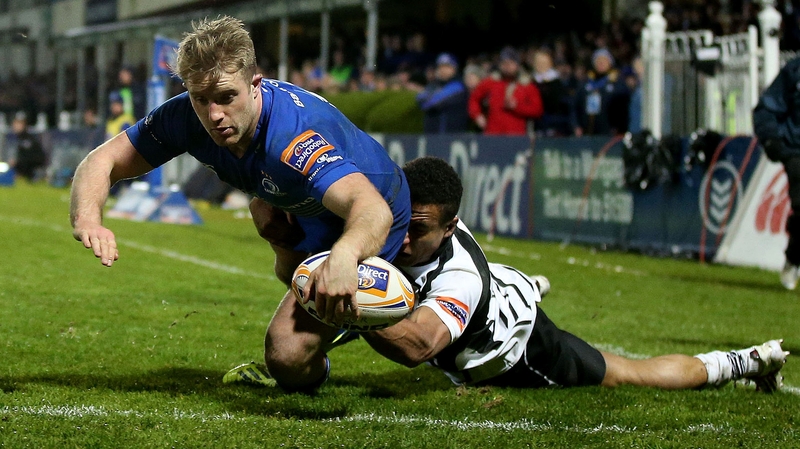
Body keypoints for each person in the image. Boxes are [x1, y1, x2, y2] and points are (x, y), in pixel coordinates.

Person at [69, 16, 411, 392]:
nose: (214, 114)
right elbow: (102, 161)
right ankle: (329, 325)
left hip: (374, 215)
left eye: (226, 97)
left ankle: (410, 307)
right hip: (302, 205)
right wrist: (89, 219)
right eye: (201, 98)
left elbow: (370, 208)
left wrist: (344, 256)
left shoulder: (294, 137)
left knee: (287, 357)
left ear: (254, 84)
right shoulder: (185, 115)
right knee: (264, 213)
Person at [359, 156, 788, 392]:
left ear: (450, 226)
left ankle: (742, 361)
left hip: (516, 346)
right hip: (498, 286)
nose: (403, 239)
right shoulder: (396, 213)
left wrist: (350, 307)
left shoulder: (461, 278)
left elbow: (419, 344)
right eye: (401, 223)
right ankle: (528, 285)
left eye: (418, 230)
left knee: (624, 374)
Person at [753, 56, 800, 290]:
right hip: (797, 149)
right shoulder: (794, 71)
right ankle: (793, 258)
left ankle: (794, 255)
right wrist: (771, 138)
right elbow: (766, 108)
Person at [468, 46, 543, 136]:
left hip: (516, 136)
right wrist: (477, 115)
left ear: (517, 65)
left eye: (511, 63)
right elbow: (474, 98)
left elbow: (537, 110)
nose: (507, 67)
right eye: (504, 63)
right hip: (493, 134)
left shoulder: (526, 85)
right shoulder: (491, 82)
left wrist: (517, 107)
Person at [572, 48, 629, 137]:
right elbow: (575, 107)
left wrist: (619, 128)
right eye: (598, 61)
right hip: (587, 130)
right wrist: (576, 125)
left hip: (609, 131)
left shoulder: (618, 83)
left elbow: (623, 109)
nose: (601, 63)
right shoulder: (585, 82)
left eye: (604, 60)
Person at [416, 53, 470, 134]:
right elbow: (420, 100)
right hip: (432, 136)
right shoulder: (433, 85)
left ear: (454, 68)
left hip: (453, 136)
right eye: (441, 66)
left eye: (447, 66)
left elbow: (435, 103)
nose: (443, 70)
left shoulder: (459, 86)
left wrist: (431, 97)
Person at [8, 113, 46, 181]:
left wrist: (17, 163)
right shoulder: (19, 138)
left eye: (19, 123)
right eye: (15, 123)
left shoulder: (28, 140)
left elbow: (33, 158)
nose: (15, 126)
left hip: (31, 173)